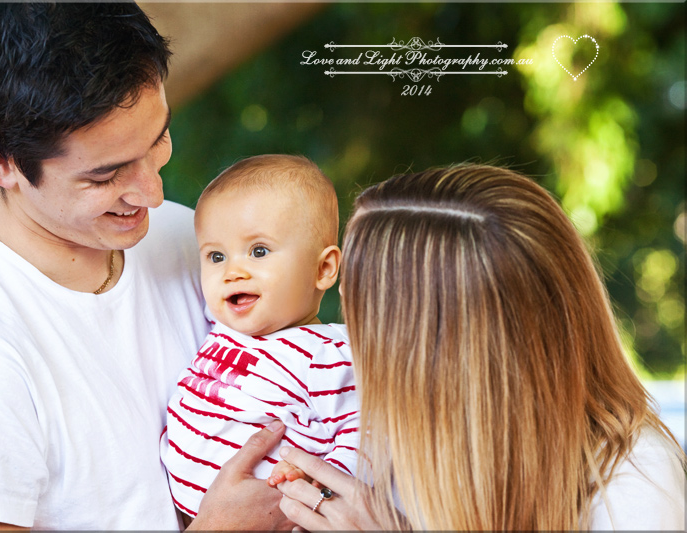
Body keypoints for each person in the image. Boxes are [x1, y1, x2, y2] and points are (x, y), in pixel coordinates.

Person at [0, 3, 292, 530]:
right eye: (105, 177)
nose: (151, 192)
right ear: (0, 163)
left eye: (158, 141)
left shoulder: (187, 241)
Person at [275, 164, 686, 530]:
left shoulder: (633, 481)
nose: (342, 294)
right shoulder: (372, 436)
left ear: (431, 343)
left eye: (363, 294)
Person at [160, 154, 359, 519]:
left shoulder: (327, 355)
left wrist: (321, 484)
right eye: (216, 256)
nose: (233, 271)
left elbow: (364, 432)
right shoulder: (222, 325)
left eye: (259, 251)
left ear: (324, 268)